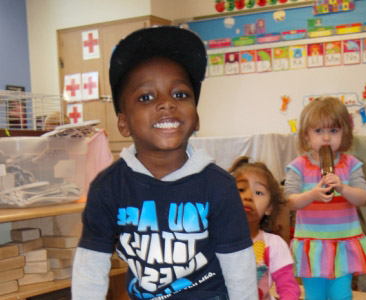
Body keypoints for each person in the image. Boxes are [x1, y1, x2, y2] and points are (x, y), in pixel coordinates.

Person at [71, 26, 258, 300]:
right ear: (123, 123)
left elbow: (239, 267)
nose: (167, 103)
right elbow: (90, 267)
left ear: (196, 117)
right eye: (146, 97)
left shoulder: (219, 186)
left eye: (180, 94)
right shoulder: (108, 187)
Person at [284, 96, 366, 300]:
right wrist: (312, 195)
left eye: (333, 131)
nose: (326, 138)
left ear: (344, 134)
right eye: (319, 131)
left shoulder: (351, 164)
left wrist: (343, 188)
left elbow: (362, 197)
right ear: (306, 136)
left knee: (341, 294)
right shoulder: (299, 165)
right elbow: (289, 201)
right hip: (312, 245)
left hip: (343, 243)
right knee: (315, 295)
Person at [230, 157, 300, 300]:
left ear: (269, 208)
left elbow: (287, 287)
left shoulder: (274, 244)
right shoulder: (212, 239)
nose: (248, 197)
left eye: (258, 192)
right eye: (241, 189)